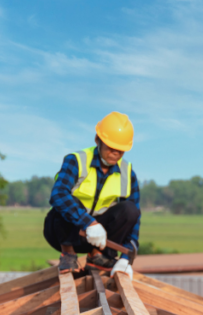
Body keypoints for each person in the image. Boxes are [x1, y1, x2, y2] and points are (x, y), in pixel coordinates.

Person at [44, 112, 140, 276]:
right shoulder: (76, 160)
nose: (115, 153)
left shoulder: (127, 173)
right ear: (98, 140)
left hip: (102, 241)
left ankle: (98, 256)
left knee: (130, 210)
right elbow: (58, 194)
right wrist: (89, 223)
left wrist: (126, 258)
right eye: (111, 147)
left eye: (121, 150)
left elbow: (133, 220)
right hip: (67, 233)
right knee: (65, 202)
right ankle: (68, 254)